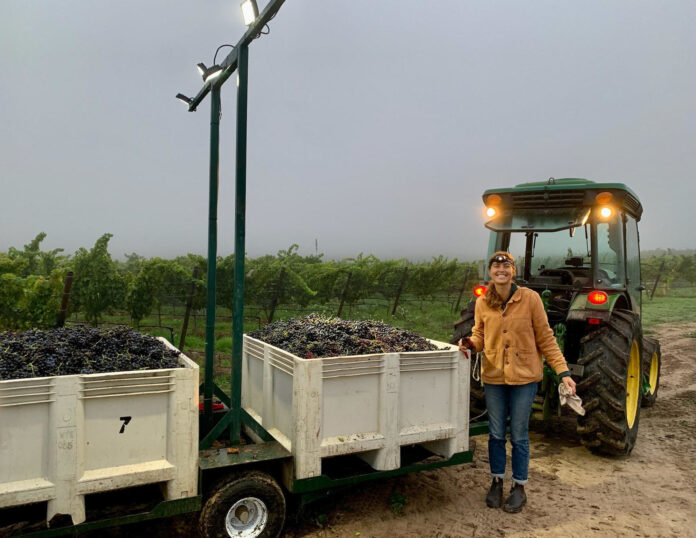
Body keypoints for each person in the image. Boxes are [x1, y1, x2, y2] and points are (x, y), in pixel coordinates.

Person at [459, 251, 576, 513]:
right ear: (490, 271)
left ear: (513, 270)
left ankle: (519, 487)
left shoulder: (530, 299)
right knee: (497, 434)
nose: (501, 269)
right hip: (494, 377)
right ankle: (497, 481)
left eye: (506, 265)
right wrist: (470, 343)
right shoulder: (482, 302)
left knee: (520, 435)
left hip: (524, 377)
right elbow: (479, 333)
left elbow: (546, 337)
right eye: (496, 265)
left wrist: (563, 372)